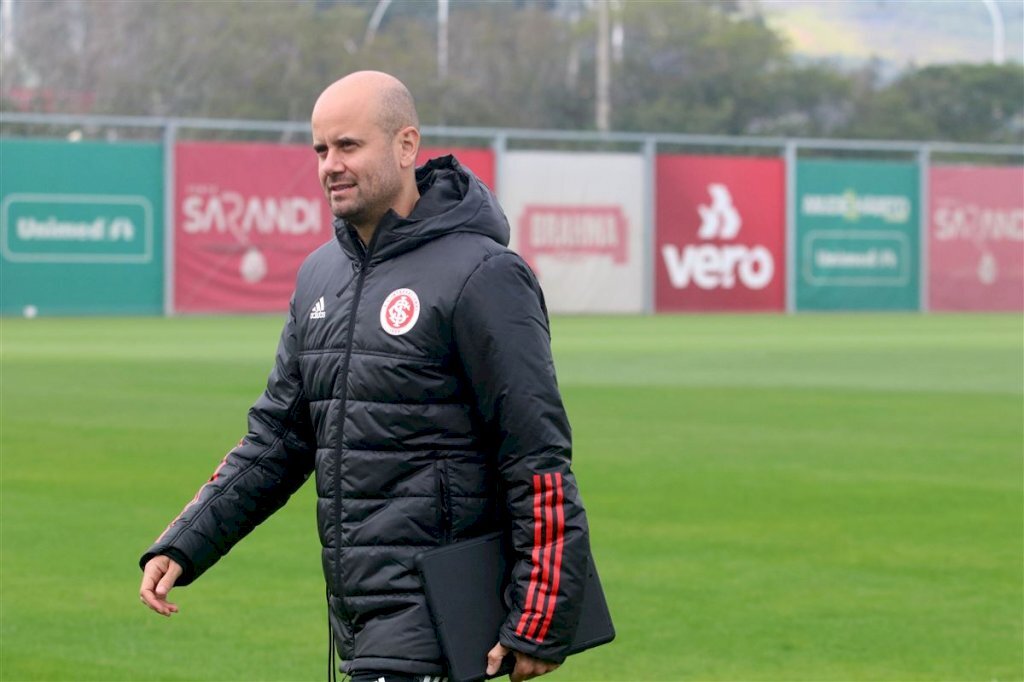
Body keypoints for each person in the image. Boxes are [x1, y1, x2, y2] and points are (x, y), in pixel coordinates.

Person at [139, 71, 592, 682]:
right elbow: (277, 439)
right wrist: (185, 541)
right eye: (321, 150)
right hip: (359, 619)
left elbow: (535, 454)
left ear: (407, 146)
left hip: (439, 619)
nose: (330, 165)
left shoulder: (483, 273)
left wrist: (542, 617)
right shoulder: (319, 277)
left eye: (348, 146)